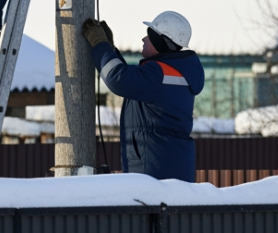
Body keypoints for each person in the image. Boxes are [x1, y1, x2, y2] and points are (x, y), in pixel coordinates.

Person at [81, 11, 205, 181]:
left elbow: (117, 78)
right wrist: (109, 48)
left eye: (149, 35)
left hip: (154, 171)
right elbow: (133, 81)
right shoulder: (177, 73)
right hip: (171, 167)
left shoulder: (158, 74)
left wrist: (100, 43)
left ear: (162, 42)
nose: (143, 39)